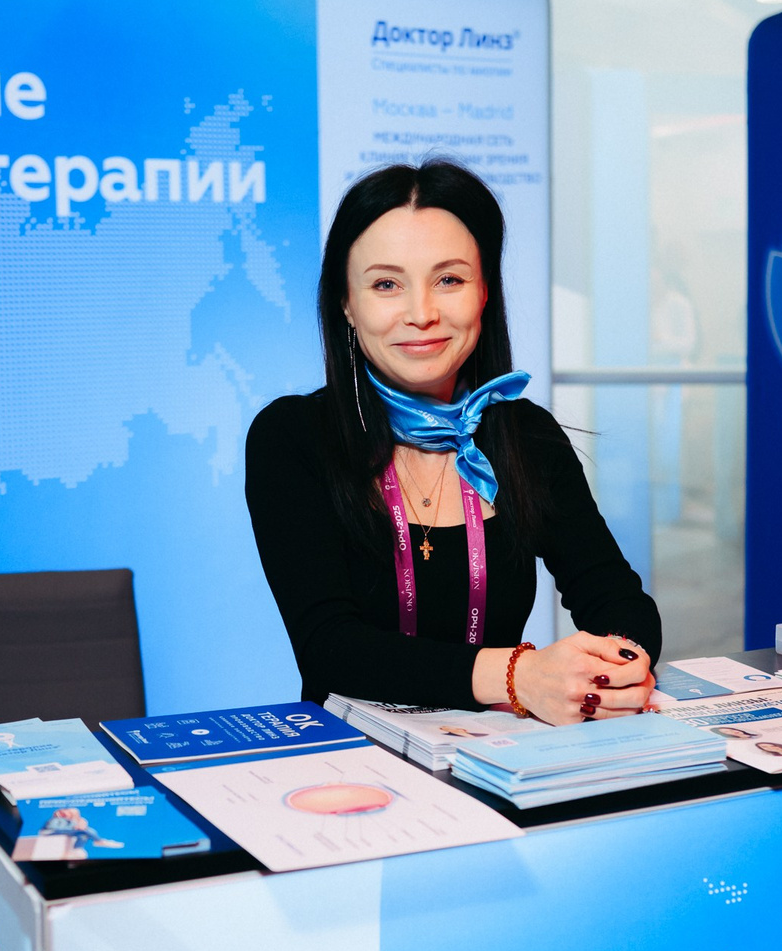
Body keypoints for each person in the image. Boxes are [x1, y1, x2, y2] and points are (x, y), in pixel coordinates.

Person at [246, 161, 661, 726]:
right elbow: (330, 647)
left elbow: (618, 600)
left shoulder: (525, 434)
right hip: (352, 755)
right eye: (386, 284)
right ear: (346, 302)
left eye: (449, 280)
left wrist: (610, 674)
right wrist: (519, 675)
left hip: (502, 753)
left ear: (484, 291)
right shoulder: (291, 436)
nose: (422, 314)